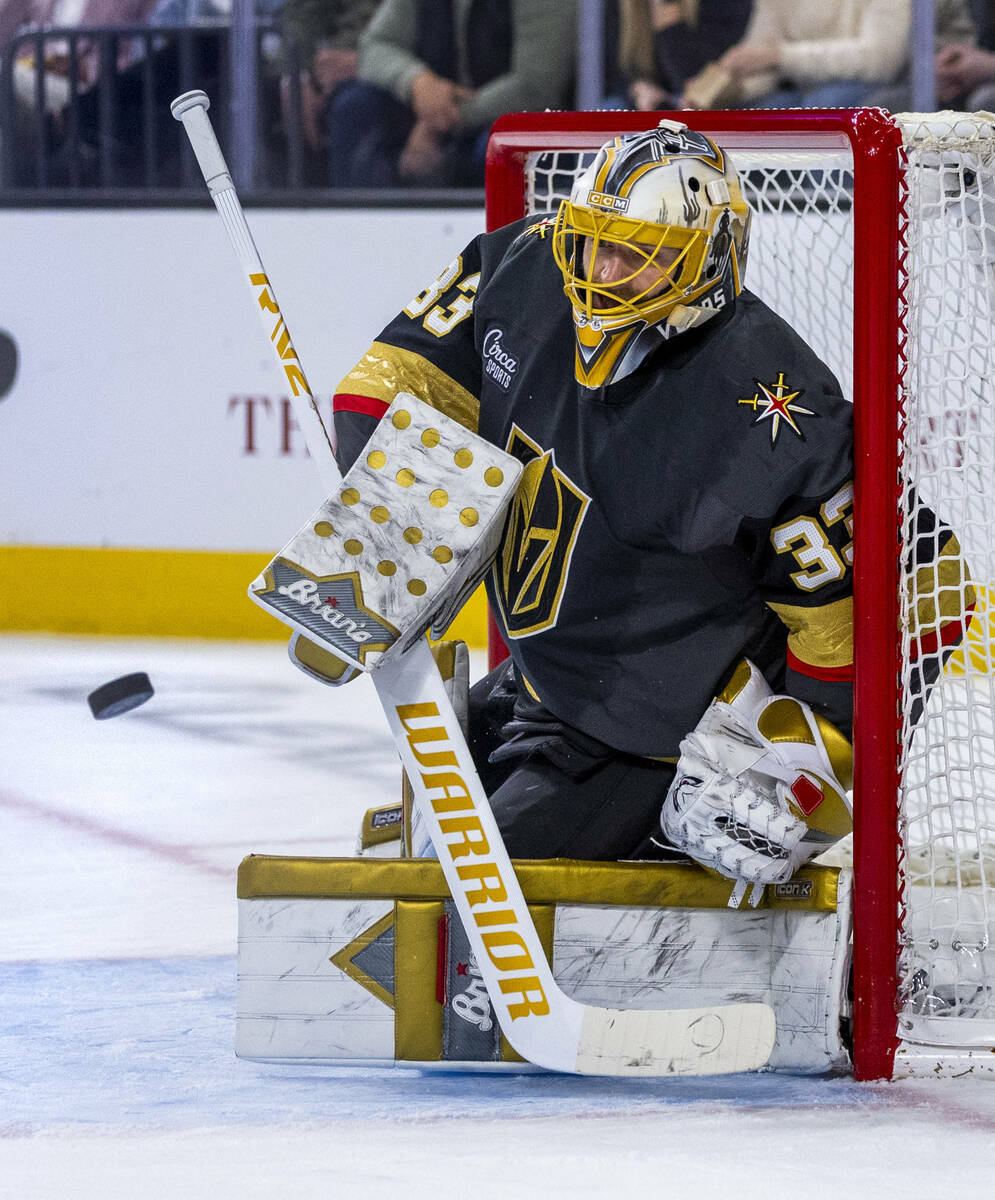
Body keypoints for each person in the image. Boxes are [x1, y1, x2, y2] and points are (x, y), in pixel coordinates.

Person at [330, 124, 966, 892]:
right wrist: (380, 510)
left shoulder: (768, 406)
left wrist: (807, 758)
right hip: (548, 685)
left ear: (709, 257)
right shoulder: (521, 262)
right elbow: (394, 379)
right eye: (593, 239)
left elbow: (919, 578)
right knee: (410, 869)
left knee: (454, 900)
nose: (601, 269)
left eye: (637, 250)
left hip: (657, 738)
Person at [324, 0, 576, 188]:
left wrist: (441, 119)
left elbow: (534, 85)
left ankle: (499, 251)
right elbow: (375, 45)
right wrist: (416, 81)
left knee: (497, 148)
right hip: (433, 112)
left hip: (507, 118)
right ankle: (358, 242)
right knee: (355, 107)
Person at [685, 0, 911, 110]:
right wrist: (723, 90)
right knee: (767, 114)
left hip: (879, 87)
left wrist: (781, 57)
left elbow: (881, 60)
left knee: (824, 107)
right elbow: (761, 61)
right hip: (802, 94)